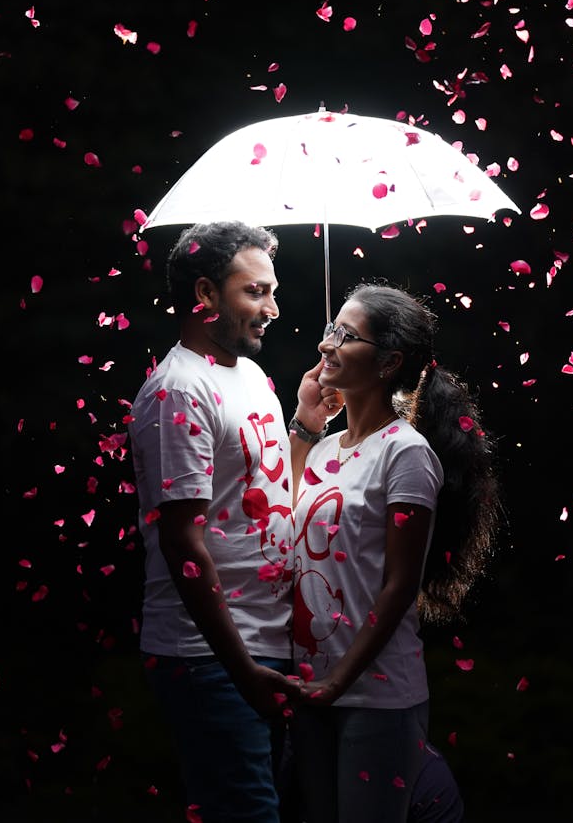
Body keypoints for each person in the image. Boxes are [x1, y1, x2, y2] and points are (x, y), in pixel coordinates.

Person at [130, 221, 341, 823]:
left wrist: (303, 425)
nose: (273, 308)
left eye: (272, 291)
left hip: (267, 646)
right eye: (255, 292)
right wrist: (240, 667)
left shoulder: (249, 377)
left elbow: (274, 492)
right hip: (211, 657)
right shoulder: (178, 390)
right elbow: (182, 542)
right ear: (205, 295)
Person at [288, 281, 500, 823]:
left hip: (375, 697)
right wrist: (307, 424)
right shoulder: (327, 448)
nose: (326, 344)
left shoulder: (406, 455)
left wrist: (339, 681)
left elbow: (401, 584)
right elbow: (280, 515)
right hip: (309, 688)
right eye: (331, 328)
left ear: (388, 363)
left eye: (346, 335)